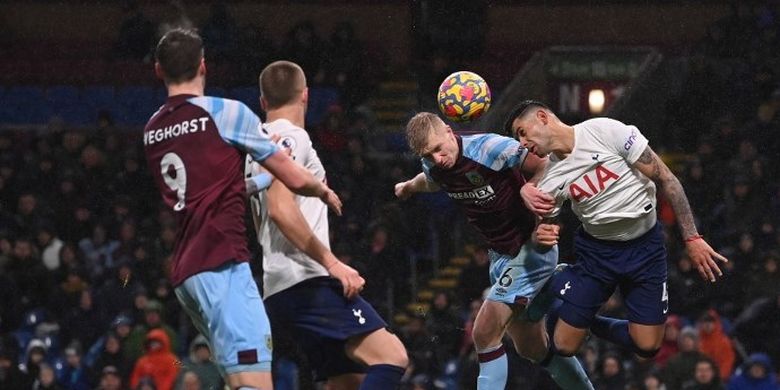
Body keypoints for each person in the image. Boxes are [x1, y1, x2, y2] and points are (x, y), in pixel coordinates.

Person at [143, 29, 342, 390]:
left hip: (187, 272)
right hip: (223, 266)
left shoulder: (153, 127)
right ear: (204, 65)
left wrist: (258, 183)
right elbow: (293, 176)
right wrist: (322, 190)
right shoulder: (227, 112)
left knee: (236, 380)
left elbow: (216, 188)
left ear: (158, 70)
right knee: (253, 383)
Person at [504, 100, 728, 370]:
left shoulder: (605, 131)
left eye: (522, 132)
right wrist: (542, 233)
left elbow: (667, 179)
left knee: (648, 346)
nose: (523, 142)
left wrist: (692, 238)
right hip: (598, 254)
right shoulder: (550, 178)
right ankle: (561, 281)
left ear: (542, 117)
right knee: (564, 346)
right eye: (517, 138)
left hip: (646, 249)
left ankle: (583, 316)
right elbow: (547, 227)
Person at [394, 112, 592, 389]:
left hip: (532, 246)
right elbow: (430, 180)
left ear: (450, 133)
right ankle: (551, 289)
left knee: (484, 332)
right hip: (500, 256)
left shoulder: (488, 148)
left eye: (438, 149)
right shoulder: (435, 166)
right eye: (428, 155)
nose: (437, 158)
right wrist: (407, 187)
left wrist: (532, 193)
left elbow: (545, 163)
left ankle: (554, 282)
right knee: (531, 348)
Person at [246, 60, 408, 390]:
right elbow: (279, 208)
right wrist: (334, 264)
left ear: (263, 102)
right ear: (305, 95)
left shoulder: (255, 147)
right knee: (392, 357)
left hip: (280, 287)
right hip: (306, 283)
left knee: (347, 381)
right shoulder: (291, 138)